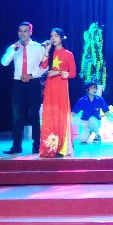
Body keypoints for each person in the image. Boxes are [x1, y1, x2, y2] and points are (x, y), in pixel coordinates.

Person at [1, 21, 47, 155]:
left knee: (34, 115)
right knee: (17, 116)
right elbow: (4, 62)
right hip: (18, 85)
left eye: (25, 31)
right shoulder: (13, 47)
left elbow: (45, 66)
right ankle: (16, 146)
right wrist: (14, 50)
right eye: (20, 31)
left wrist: (31, 75)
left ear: (30, 32)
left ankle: (37, 145)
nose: (22, 33)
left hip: (33, 83)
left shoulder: (38, 47)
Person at [39, 28, 77, 157]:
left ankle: (62, 147)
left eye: (56, 35)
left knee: (60, 115)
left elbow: (73, 73)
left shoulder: (68, 54)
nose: (53, 38)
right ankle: (50, 147)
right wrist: (46, 50)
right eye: (51, 36)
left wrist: (59, 72)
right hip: (50, 88)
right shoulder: (49, 53)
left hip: (61, 88)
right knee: (50, 116)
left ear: (62, 37)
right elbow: (42, 67)